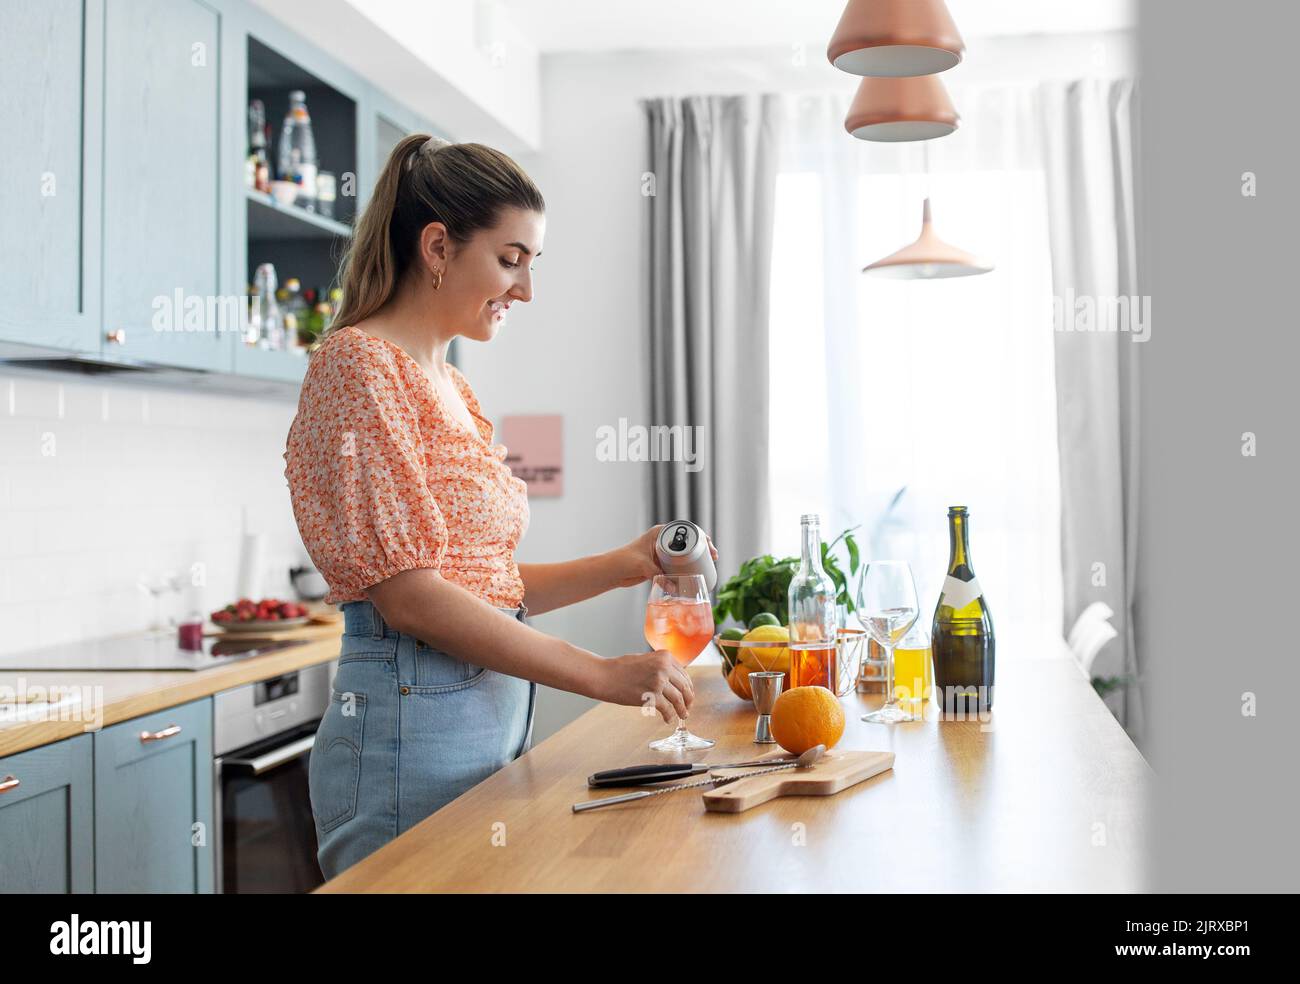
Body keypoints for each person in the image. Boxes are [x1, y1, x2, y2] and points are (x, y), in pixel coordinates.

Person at [283, 135, 717, 880]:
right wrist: (602, 675)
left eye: (531, 265)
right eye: (511, 259)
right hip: (406, 736)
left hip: (484, 725)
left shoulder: (452, 385)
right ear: (438, 247)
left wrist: (628, 562)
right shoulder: (357, 366)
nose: (526, 290)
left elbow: (481, 581)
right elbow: (413, 598)